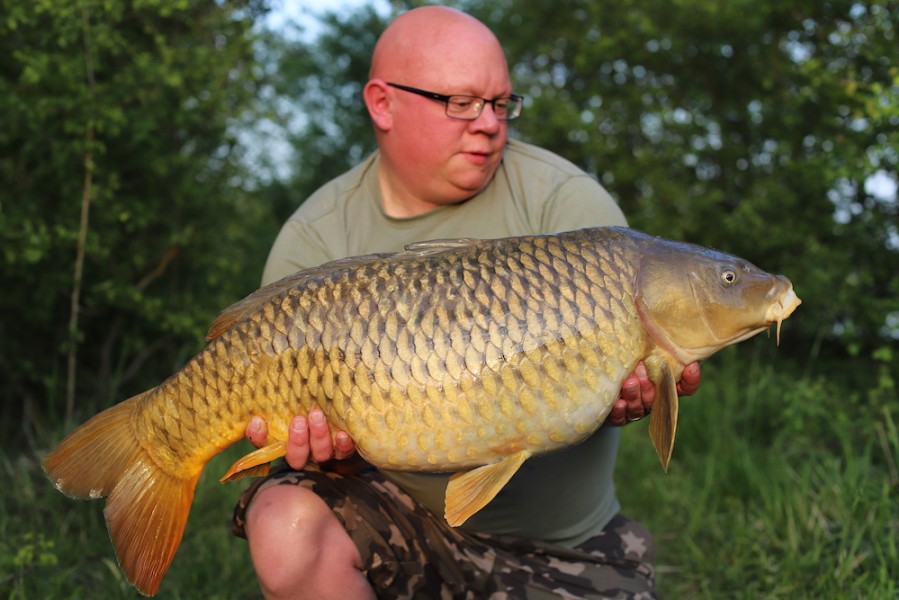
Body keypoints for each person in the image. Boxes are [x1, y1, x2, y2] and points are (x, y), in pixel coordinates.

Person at [233, 6, 701, 599]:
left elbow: (625, 386)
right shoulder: (317, 238)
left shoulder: (567, 210)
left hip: (564, 544)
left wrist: (632, 391)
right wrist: (328, 457)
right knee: (286, 522)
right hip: (396, 517)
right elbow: (320, 457)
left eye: (501, 104)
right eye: (461, 102)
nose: (488, 123)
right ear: (383, 104)